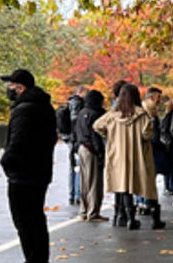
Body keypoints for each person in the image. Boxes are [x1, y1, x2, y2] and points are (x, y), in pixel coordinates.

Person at [0, 67, 58, 263]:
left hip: (23, 174)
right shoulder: (45, 107)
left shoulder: (23, 111)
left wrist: (6, 162)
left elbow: (17, 143)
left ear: (21, 88)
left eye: (12, 87)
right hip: (40, 171)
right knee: (36, 220)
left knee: (25, 222)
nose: (9, 90)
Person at [96, 82, 162, 228]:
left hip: (119, 156)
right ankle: (155, 220)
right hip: (139, 155)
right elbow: (147, 135)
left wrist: (110, 135)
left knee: (124, 186)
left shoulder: (112, 115)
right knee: (147, 185)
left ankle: (130, 219)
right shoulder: (141, 114)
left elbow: (97, 126)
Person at [73, 88, 107, 218]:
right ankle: (93, 211)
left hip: (81, 148)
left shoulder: (82, 112)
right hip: (91, 149)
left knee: (84, 181)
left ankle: (83, 210)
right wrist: (100, 154)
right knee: (95, 182)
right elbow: (95, 136)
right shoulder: (96, 114)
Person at [57, 90, 84, 203]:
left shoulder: (68, 104)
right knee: (78, 168)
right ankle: (77, 195)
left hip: (70, 139)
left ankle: (72, 193)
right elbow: (76, 123)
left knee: (72, 167)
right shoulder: (78, 104)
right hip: (76, 140)